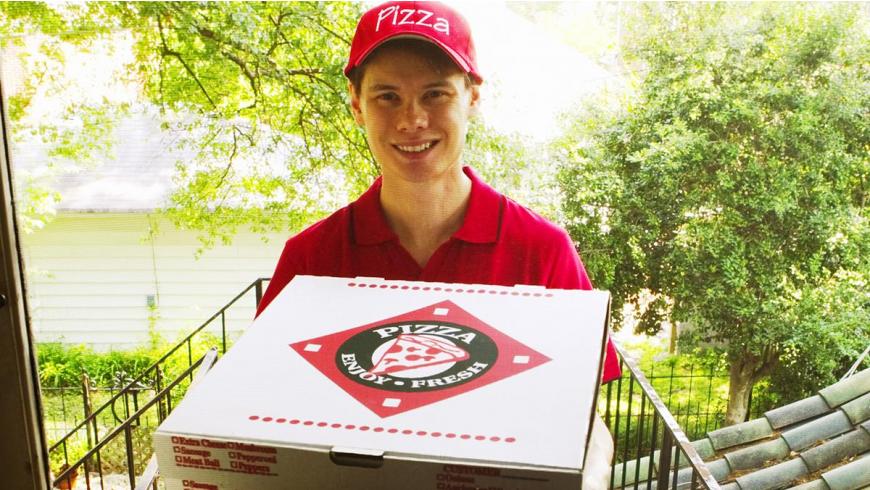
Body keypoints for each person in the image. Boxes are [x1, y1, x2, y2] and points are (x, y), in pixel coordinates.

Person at [258, 2, 618, 485]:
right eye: (387, 96)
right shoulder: (310, 259)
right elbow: (265, 403)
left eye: (435, 94)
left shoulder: (541, 250)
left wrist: (588, 480)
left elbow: (586, 419)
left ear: (471, 97)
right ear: (356, 104)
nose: (412, 120)